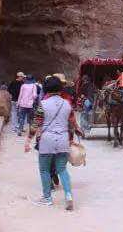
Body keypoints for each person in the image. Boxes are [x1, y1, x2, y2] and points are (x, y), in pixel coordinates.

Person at [24, 76, 82, 209]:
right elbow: (72, 123)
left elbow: (35, 124)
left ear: (46, 89)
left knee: (44, 169)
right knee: (62, 169)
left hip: (47, 140)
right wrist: (75, 134)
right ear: (61, 89)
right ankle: (68, 195)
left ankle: (47, 197)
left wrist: (28, 141)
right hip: (63, 139)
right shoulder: (67, 104)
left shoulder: (43, 105)